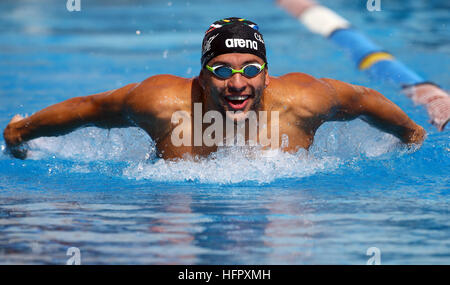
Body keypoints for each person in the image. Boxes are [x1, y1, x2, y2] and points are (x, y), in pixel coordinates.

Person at [3, 17, 425, 160]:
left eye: (250, 69)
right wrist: (20, 134)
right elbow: (89, 108)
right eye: (221, 71)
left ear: (267, 73)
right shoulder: (163, 103)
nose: (237, 84)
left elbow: (366, 99)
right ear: (202, 76)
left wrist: (411, 134)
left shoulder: (304, 101)